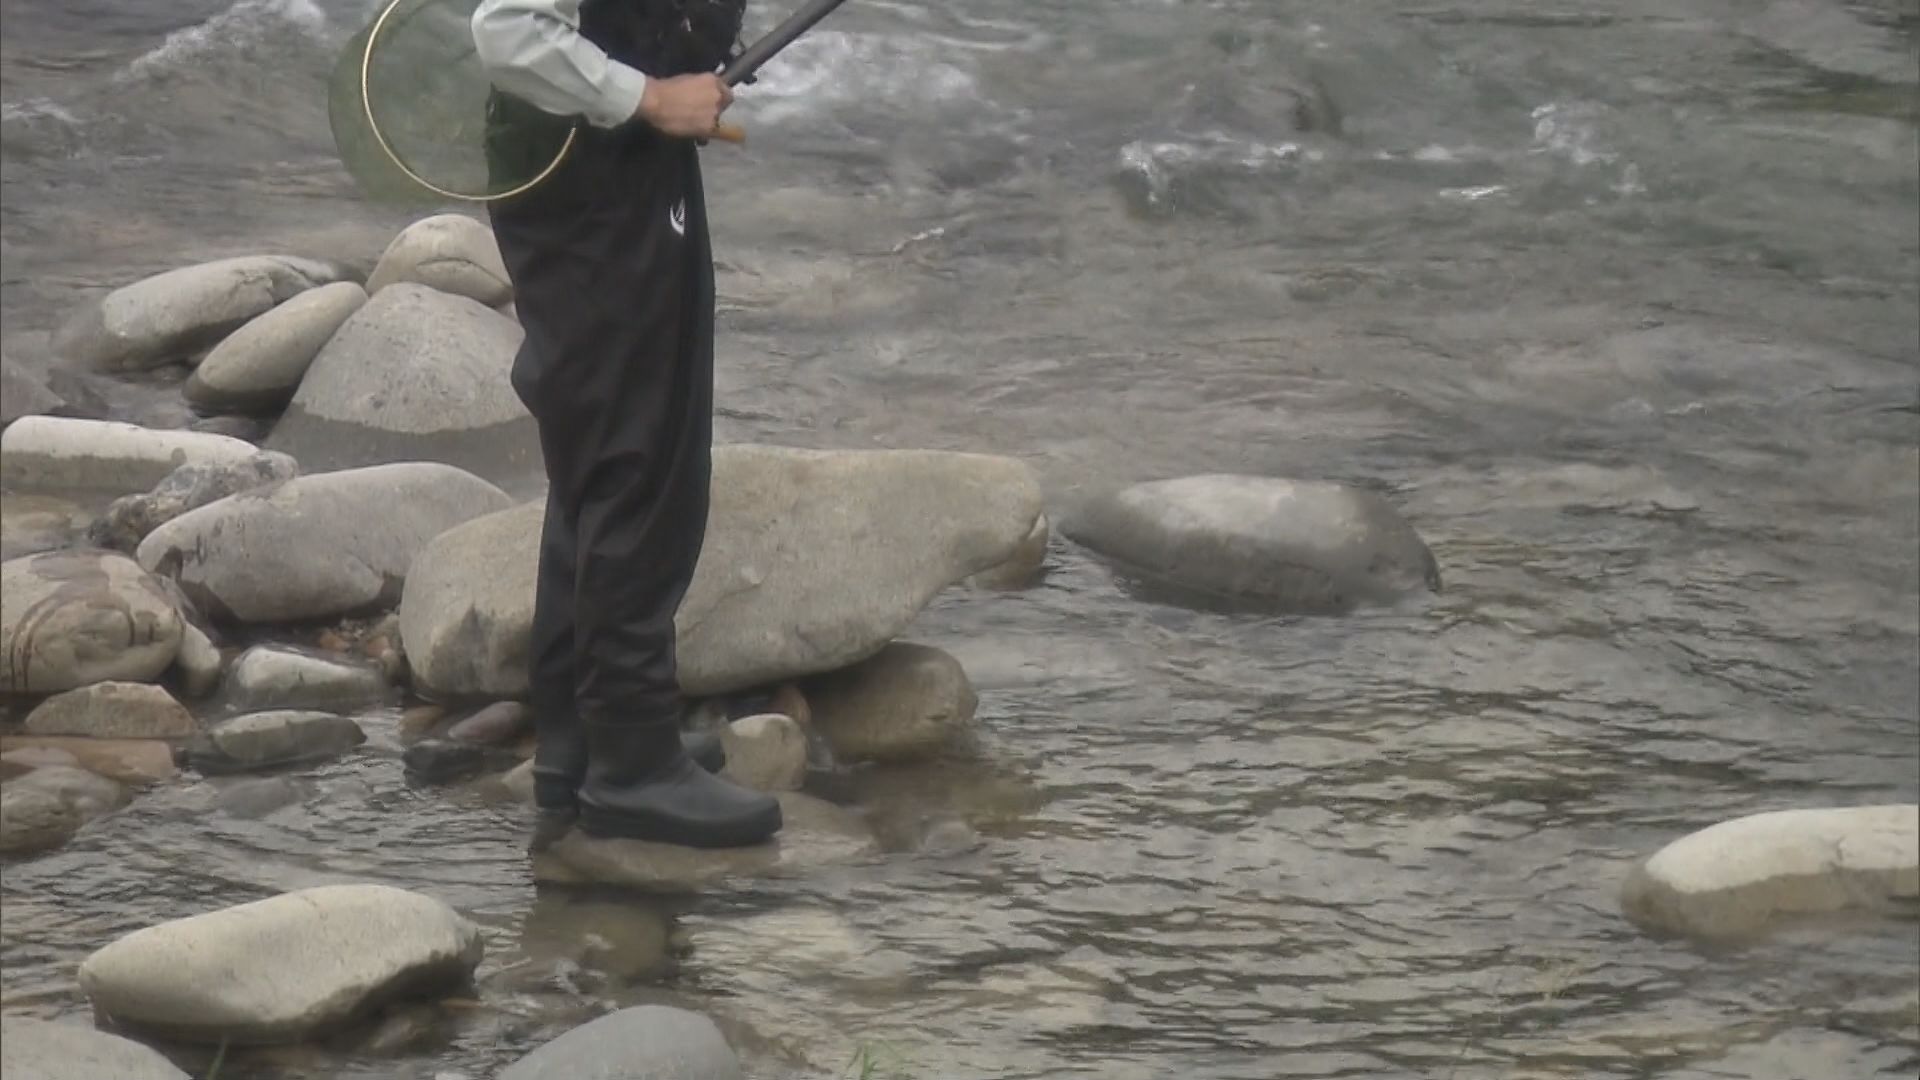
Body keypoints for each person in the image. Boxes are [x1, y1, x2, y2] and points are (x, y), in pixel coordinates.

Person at [470, 0, 783, 851]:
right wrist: (647, 98)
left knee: (602, 453)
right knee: (640, 459)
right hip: (591, 185)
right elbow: (506, 33)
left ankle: (581, 739)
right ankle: (633, 769)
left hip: (609, 171)